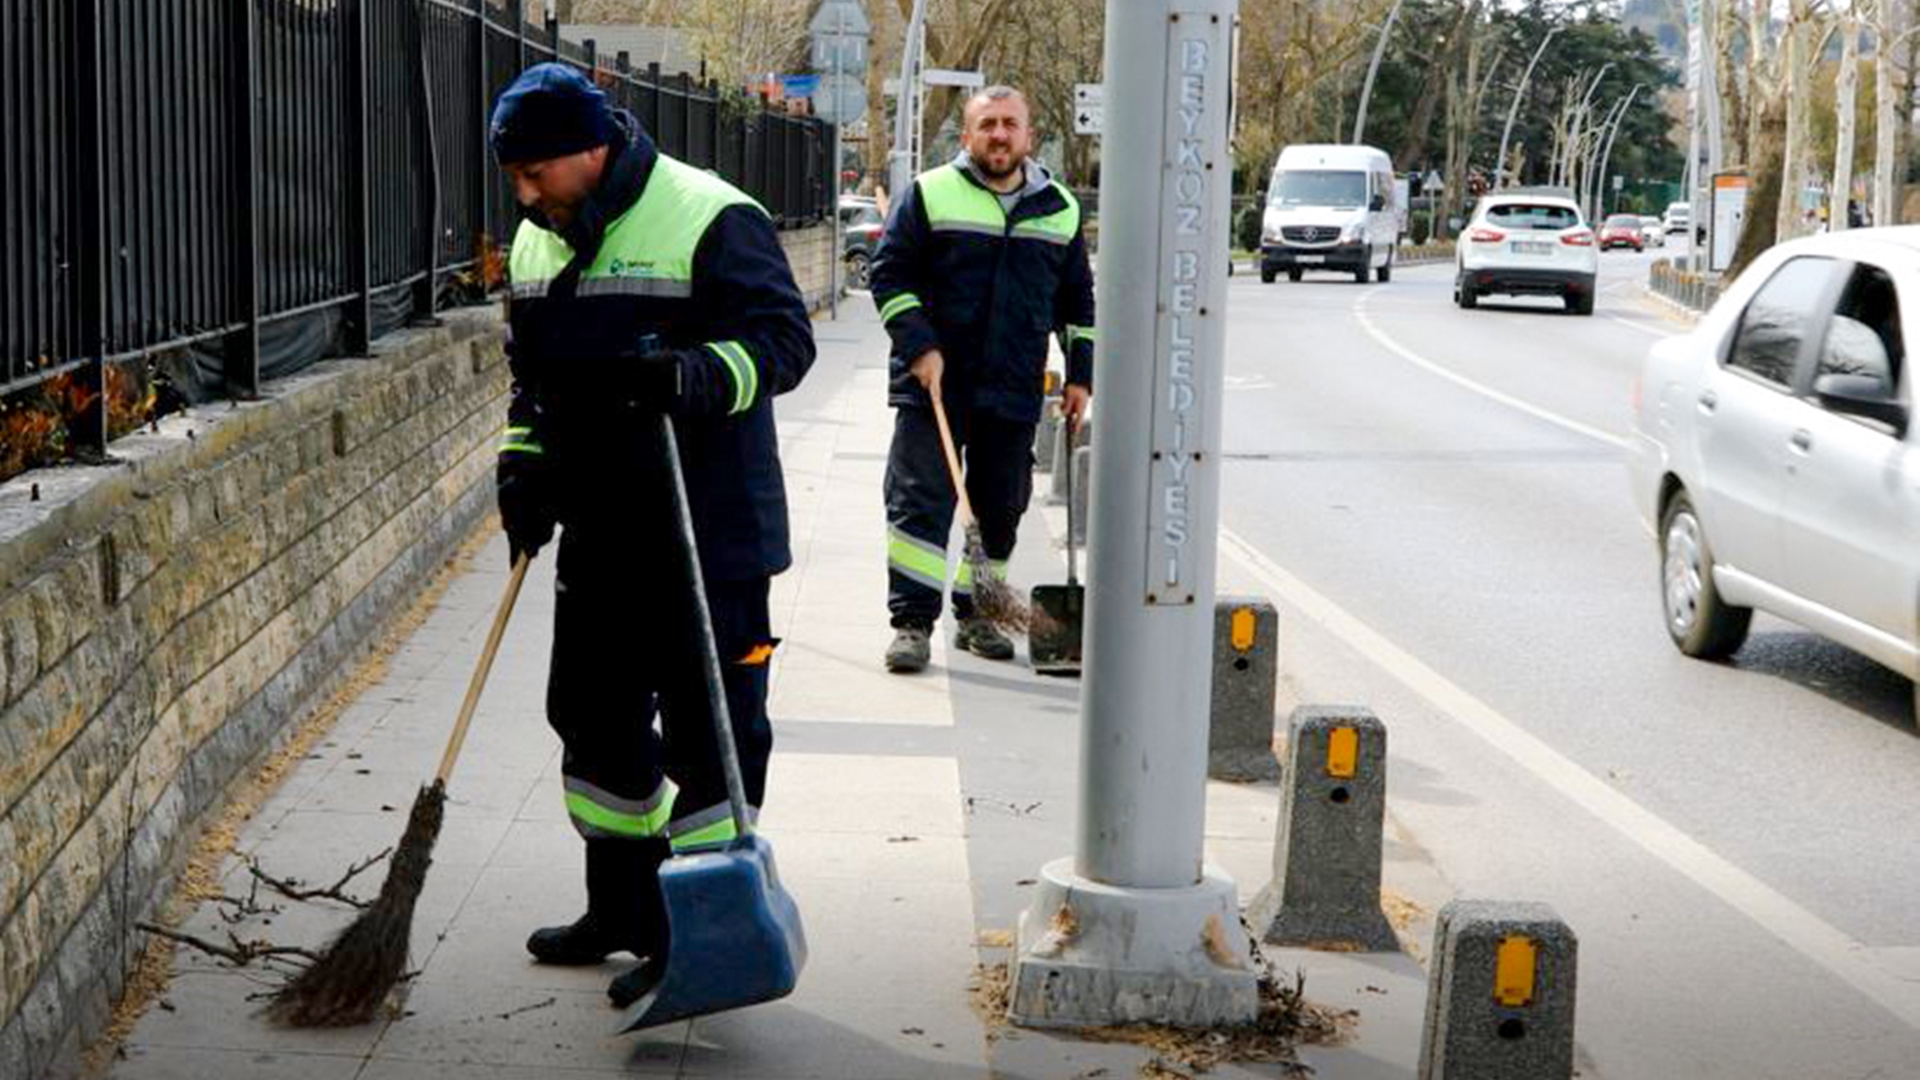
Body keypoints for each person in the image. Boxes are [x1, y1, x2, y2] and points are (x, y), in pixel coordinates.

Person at [488, 62, 814, 1007]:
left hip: (708, 529)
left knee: (712, 740)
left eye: (535, 173)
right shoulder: (538, 240)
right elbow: (530, 381)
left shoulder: (711, 215)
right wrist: (522, 465)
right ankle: (622, 908)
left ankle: (701, 936)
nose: (524, 195)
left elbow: (784, 343)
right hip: (601, 530)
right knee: (592, 722)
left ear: (589, 149)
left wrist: (692, 375)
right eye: (514, 177)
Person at [869, 86, 1095, 673]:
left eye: (1010, 124)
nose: (999, 134)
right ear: (967, 135)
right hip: (934, 387)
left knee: (1001, 507)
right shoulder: (929, 194)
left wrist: (1081, 376)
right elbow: (889, 275)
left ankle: (977, 615)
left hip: (1013, 388)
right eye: (987, 124)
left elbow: (1077, 301)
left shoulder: (1061, 210)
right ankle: (912, 624)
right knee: (919, 507)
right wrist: (919, 347)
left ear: (1029, 135)